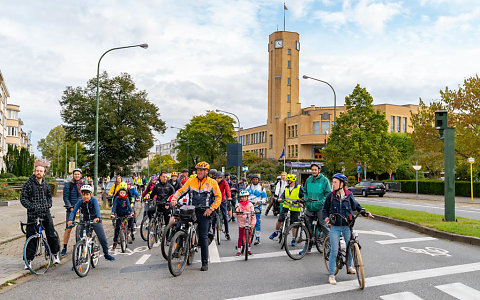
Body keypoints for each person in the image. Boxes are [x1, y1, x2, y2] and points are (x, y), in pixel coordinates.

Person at [170, 161, 222, 271]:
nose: (199, 172)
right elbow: (181, 191)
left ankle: (204, 262)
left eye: (202, 170)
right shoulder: (191, 180)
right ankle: (178, 248)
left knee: (203, 237)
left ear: (207, 171)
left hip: (204, 212)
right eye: (198, 170)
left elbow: (218, 198)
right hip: (192, 210)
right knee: (179, 226)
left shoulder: (212, 182)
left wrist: (211, 208)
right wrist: (174, 199)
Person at [323, 173, 372, 285]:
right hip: (335, 226)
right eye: (333, 182)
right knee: (334, 251)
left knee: (350, 246)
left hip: (347, 226)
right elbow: (325, 209)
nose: (333, 184)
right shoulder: (331, 196)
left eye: (335, 182)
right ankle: (331, 275)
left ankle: (349, 266)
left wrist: (364, 212)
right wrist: (325, 217)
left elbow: (356, 206)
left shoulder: (349, 195)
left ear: (342, 184)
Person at [20, 165, 61, 268]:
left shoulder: (45, 184)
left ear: (44, 173)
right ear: (35, 172)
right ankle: (28, 260)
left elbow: (49, 197)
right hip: (32, 214)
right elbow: (23, 198)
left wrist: (48, 205)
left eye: (41, 171)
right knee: (31, 237)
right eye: (37, 171)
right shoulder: (28, 184)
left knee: (51, 234)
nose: (38, 172)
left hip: (45, 213)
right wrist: (31, 207)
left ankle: (55, 254)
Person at [68, 185, 115, 261]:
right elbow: (73, 212)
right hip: (85, 221)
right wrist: (70, 220)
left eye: (87, 194)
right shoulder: (80, 202)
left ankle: (106, 254)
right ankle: (76, 260)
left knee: (102, 238)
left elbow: (97, 209)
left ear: (91, 194)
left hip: (95, 221)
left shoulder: (94, 200)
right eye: (83, 194)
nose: (85, 196)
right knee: (79, 240)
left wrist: (98, 218)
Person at [301, 163, 332, 254]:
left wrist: (321, 202)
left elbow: (328, 194)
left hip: (320, 207)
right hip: (310, 206)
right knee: (308, 227)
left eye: (315, 170)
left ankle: (329, 245)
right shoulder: (308, 180)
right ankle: (308, 246)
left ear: (319, 170)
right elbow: (305, 191)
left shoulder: (324, 180)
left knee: (324, 225)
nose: (314, 171)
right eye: (312, 170)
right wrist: (305, 200)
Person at [269, 174, 304, 246]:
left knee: (294, 224)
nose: (287, 181)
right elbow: (283, 195)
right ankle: (276, 232)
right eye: (287, 180)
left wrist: (302, 202)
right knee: (280, 220)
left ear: (293, 181)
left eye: (289, 180)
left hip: (295, 208)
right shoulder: (287, 188)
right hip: (286, 206)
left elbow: (304, 196)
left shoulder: (299, 187)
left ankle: (293, 239)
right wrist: (280, 198)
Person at [60, 168, 84, 256]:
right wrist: (71, 207)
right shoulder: (68, 185)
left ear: (81, 175)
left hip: (82, 208)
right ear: (73, 175)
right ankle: (64, 247)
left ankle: (81, 245)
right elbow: (65, 197)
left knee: (83, 227)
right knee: (68, 228)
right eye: (75, 174)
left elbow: (85, 197)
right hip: (71, 208)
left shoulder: (83, 185)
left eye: (78, 174)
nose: (77, 176)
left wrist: (80, 207)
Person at [245, 174, 267, 245]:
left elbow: (265, 198)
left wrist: (260, 202)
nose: (255, 180)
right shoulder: (248, 187)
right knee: (245, 220)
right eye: (253, 179)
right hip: (248, 206)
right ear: (251, 180)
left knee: (257, 222)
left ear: (258, 180)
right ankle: (246, 235)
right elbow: (243, 196)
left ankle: (257, 238)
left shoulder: (261, 188)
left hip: (257, 206)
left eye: (256, 179)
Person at [234, 190, 256, 256]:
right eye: (242, 197)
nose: (244, 198)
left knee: (249, 237)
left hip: (249, 223)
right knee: (240, 237)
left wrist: (252, 224)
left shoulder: (250, 205)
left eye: (245, 197)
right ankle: (239, 250)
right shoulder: (239, 205)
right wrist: (236, 213)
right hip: (241, 223)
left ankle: (249, 249)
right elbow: (235, 214)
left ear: (247, 197)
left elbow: (253, 215)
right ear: (240, 198)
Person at [211, 171, 231, 240]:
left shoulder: (224, 182)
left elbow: (227, 189)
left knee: (225, 216)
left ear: (222, 178)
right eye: (216, 178)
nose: (217, 179)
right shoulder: (213, 182)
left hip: (222, 200)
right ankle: (212, 232)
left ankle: (227, 232)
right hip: (215, 200)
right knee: (213, 216)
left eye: (219, 178)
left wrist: (229, 197)